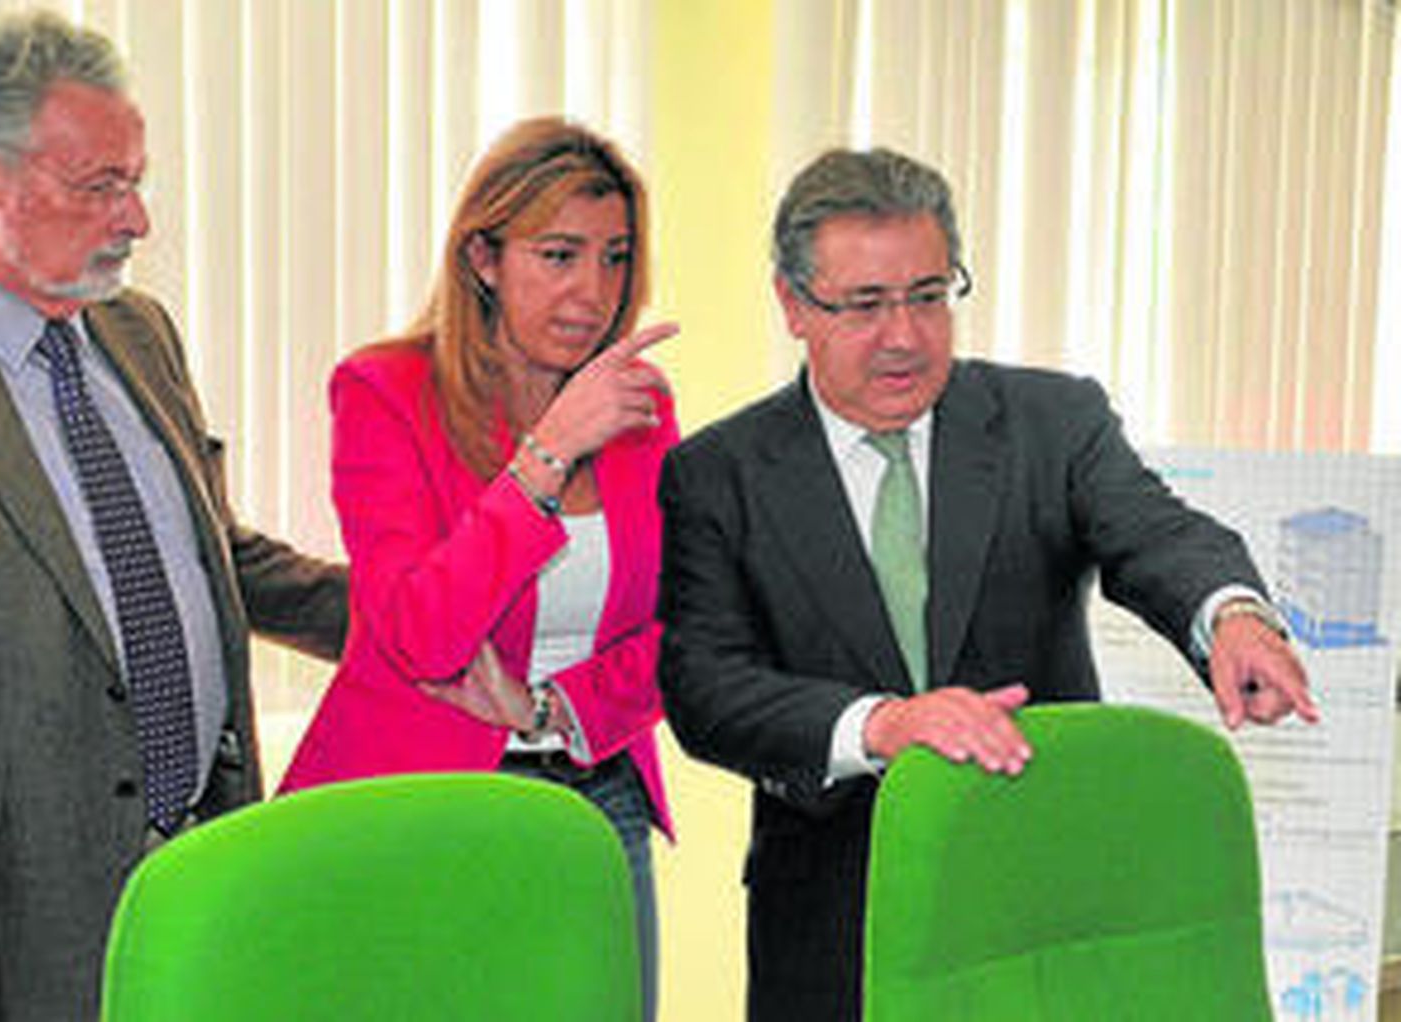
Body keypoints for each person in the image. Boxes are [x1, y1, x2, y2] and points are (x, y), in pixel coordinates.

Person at [656, 146, 1318, 1022]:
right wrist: (884, 725)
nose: (904, 335)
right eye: (864, 305)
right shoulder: (721, 472)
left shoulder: (1051, 423)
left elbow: (1153, 532)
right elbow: (706, 688)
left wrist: (1229, 614)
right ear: (793, 305)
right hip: (833, 914)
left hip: (1039, 897)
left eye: (929, 296)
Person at [0, 11, 349, 1020]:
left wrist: (419, 611)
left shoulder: (138, 333)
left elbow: (210, 555)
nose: (137, 218)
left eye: (137, 180)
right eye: (101, 184)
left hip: (198, 879)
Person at [279, 116, 676, 1020]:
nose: (592, 292)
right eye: (559, 254)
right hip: (423, 798)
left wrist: (555, 707)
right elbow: (418, 631)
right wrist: (548, 453)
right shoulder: (384, 391)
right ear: (484, 259)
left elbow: (682, 623)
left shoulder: (640, 407)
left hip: (594, 790)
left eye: (615, 258)